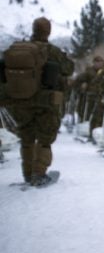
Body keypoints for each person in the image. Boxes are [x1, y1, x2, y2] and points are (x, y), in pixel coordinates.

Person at [5, 17, 74, 186]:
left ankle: (27, 175)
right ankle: (39, 174)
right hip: (45, 103)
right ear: (48, 31)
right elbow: (69, 69)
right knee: (44, 140)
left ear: (33, 29)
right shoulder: (53, 51)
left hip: (19, 102)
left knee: (26, 139)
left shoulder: (17, 50)